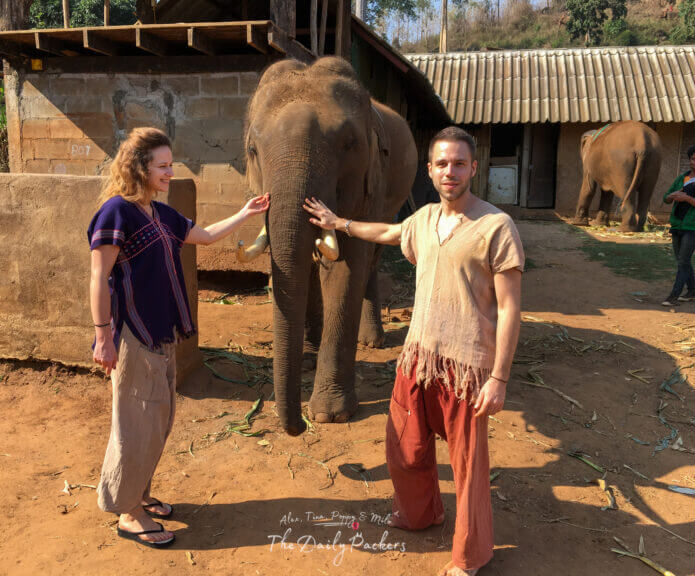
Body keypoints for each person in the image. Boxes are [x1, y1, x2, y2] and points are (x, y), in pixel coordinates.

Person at [303, 126, 524, 576]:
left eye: (459, 163)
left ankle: (469, 556)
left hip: (467, 367)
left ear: (474, 169)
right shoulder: (424, 220)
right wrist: (339, 223)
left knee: (467, 468)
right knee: (405, 448)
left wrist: (499, 378)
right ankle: (419, 514)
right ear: (429, 169)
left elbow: (509, 308)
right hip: (419, 358)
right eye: (442, 164)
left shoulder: (496, 227)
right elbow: (387, 231)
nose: (450, 172)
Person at [88, 127, 269, 548]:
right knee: (135, 423)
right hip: (133, 332)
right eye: (163, 166)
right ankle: (128, 511)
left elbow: (202, 236)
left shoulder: (160, 213)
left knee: (159, 420)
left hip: (162, 331)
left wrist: (246, 213)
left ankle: (140, 493)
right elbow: (98, 277)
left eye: (171, 165)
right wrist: (103, 337)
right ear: (140, 167)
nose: (171, 172)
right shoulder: (117, 212)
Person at [661, 143, 695, 306]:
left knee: (683, 260)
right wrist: (672, 195)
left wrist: (686, 198)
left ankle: (674, 295)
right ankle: (693, 292)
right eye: (693, 159)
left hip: (693, 226)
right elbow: (666, 197)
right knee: (682, 260)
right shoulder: (682, 178)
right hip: (677, 224)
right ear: (689, 160)